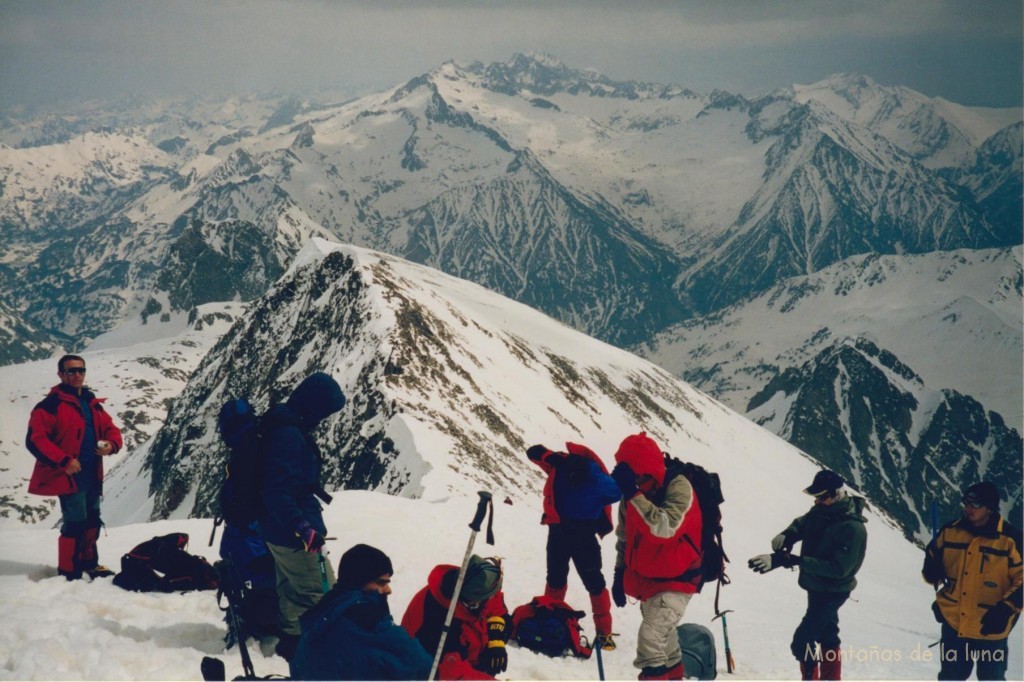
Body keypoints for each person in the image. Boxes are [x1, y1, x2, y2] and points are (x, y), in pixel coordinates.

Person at [748, 469, 867, 681]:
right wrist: (789, 534)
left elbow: (839, 569)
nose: (817, 501)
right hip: (816, 586)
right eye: (816, 497)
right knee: (827, 635)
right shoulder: (822, 511)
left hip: (833, 591)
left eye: (822, 497)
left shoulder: (853, 528)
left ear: (837, 494)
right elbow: (804, 523)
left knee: (802, 641)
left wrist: (795, 560)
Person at [260, 371, 347, 660]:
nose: (323, 418)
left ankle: (290, 642)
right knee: (318, 592)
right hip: (291, 532)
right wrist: (302, 526)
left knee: (290, 590)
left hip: (278, 529)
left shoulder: (285, 424)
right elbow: (278, 489)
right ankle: (308, 652)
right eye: (325, 411)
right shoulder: (289, 435)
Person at [610, 432, 703, 681]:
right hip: (649, 580)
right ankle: (674, 675)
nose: (638, 484)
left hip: (678, 579)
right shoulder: (631, 494)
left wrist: (633, 493)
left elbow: (666, 528)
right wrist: (619, 574)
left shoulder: (680, 487)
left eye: (640, 478)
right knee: (665, 641)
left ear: (651, 470)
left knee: (650, 638)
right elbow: (625, 538)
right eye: (633, 480)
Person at [27, 354, 123, 581]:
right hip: (69, 476)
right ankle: (69, 571)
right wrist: (64, 461)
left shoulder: (91, 403)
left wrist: (112, 445)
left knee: (92, 518)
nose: (77, 375)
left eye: (81, 370)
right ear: (61, 374)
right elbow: (35, 440)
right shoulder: (50, 406)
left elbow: (111, 429)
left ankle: (89, 564)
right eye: (72, 371)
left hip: (91, 473)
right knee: (75, 522)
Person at [922, 482, 1022, 681]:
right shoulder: (949, 532)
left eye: (975, 504)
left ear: (989, 507)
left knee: (991, 678)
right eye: (966, 503)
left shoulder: (1011, 540)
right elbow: (932, 567)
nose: (968, 508)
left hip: (992, 627)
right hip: (954, 624)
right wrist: (931, 570)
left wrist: (1007, 608)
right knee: (950, 677)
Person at [526, 442, 621, 650]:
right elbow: (617, 492)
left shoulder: (560, 464)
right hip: (584, 534)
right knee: (595, 583)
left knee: (556, 579)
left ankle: (550, 620)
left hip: (558, 532)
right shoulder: (596, 476)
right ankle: (604, 634)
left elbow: (532, 453)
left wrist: (550, 455)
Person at [290, 543, 432, 681]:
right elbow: (421, 665)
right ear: (360, 580)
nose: (388, 590)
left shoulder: (324, 610)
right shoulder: (369, 620)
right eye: (381, 583)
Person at [402, 555, 511, 680]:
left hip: (467, 659)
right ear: (474, 602)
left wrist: (496, 638)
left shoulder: (467, 581)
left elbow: (495, 603)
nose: (494, 596)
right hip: (431, 668)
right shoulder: (441, 619)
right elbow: (452, 672)